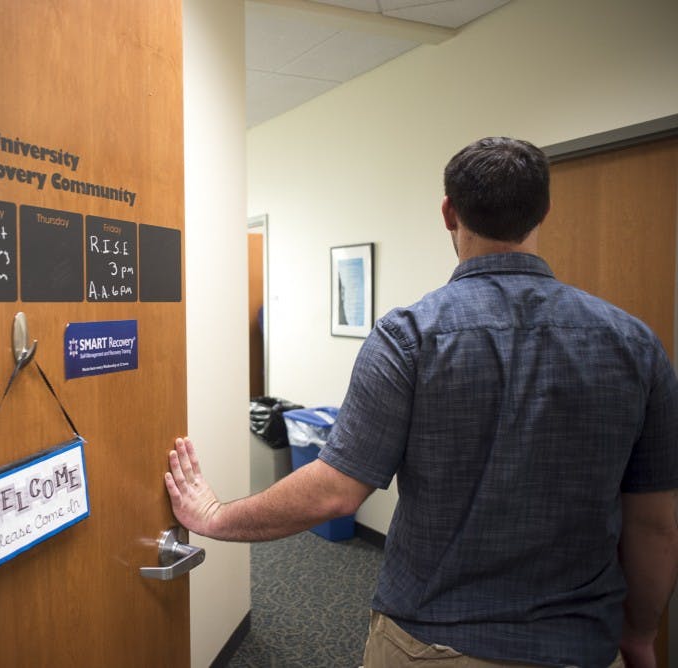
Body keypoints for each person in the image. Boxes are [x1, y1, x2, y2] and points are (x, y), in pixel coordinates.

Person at [165, 137, 678, 668]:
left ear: (448, 213)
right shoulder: (635, 344)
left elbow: (335, 491)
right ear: (543, 211)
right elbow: (654, 524)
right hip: (582, 646)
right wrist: (641, 633)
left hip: (431, 644)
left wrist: (216, 516)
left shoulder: (410, 336)